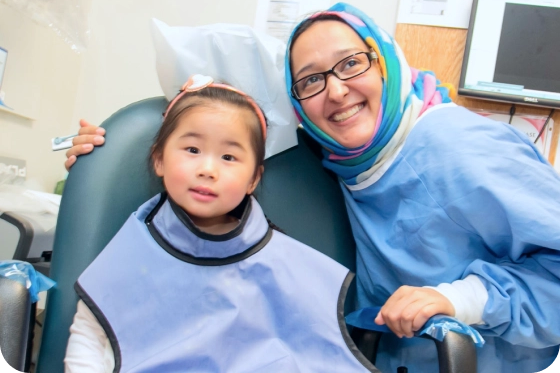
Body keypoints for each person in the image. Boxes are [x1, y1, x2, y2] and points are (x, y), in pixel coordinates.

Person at [66, 3, 560, 372]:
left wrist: (463, 299)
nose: (337, 91)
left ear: (384, 60)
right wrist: (105, 152)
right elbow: (223, 111)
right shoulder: (339, 158)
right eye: (310, 80)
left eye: (351, 64)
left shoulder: (456, 145)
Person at [64, 75, 378, 372]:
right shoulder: (134, 250)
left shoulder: (283, 265)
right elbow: (90, 338)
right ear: (159, 158)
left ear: (253, 178)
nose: (208, 169)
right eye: (192, 150)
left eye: (228, 157)